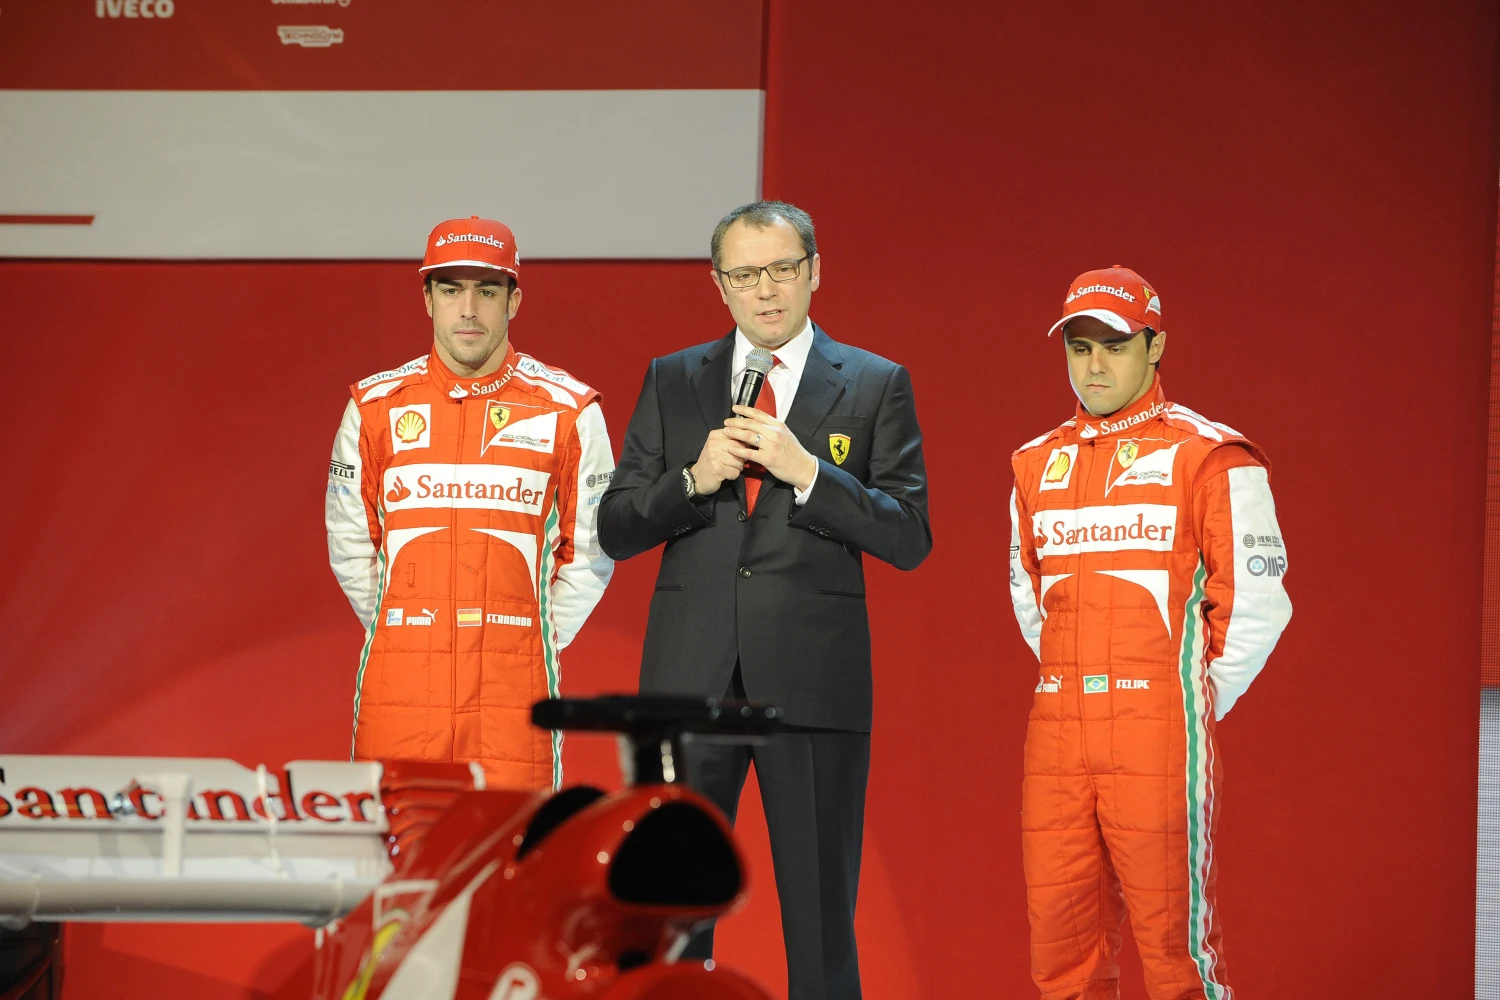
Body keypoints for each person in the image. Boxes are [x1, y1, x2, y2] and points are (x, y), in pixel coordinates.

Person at [598, 201, 930, 1000]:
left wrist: (808, 472)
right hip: (689, 685)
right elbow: (616, 526)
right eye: (745, 275)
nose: (766, 290)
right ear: (719, 285)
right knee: (672, 917)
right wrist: (694, 479)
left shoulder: (875, 382)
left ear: (814, 271)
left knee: (820, 926)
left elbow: (908, 535)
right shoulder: (674, 378)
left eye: (782, 269)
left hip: (811, 688)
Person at [1008, 266, 1292, 1000]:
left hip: (1159, 728)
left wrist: (1189, 699)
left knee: (1177, 957)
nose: (1094, 366)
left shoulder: (1211, 455)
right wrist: (1077, 676)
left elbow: (1258, 605)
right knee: (1061, 957)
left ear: (1155, 346)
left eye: (1115, 345)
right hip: (1058, 729)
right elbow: (1031, 596)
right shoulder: (1035, 463)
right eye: (1079, 348)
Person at [325, 216, 614, 790]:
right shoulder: (374, 406)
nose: (468, 309)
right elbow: (350, 544)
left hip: (515, 691)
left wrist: (530, 635)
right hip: (400, 685)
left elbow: (591, 550)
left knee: (516, 843)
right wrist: (406, 626)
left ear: (514, 301)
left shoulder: (569, 409)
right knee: (398, 843)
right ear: (427, 299)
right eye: (451, 289)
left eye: (487, 290)